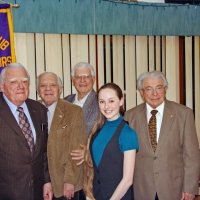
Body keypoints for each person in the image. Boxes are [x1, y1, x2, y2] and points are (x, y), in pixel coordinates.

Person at [124, 71, 200, 200]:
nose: (155, 93)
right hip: (141, 189)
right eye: (149, 89)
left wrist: (189, 188)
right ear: (141, 92)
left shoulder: (184, 114)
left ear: (165, 89)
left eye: (159, 88)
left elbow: (191, 155)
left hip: (174, 188)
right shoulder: (130, 116)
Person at [0, 63, 52, 200]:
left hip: (37, 191)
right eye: (13, 82)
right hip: (7, 192)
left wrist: (47, 181)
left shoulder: (39, 110)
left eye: (24, 81)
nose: (21, 86)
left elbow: (44, 150)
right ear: (2, 86)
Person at [84, 83, 139, 200]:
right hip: (96, 195)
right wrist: (89, 195)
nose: (106, 106)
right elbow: (92, 168)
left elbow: (127, 180)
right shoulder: (97, 129)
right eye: (102, 102)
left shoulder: (128, 133)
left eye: (111, 101)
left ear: (121, 101)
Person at [37, 72, 86, 200]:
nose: (48, 89)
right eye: (43, 85)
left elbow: (77, 149)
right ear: (37, 90)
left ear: (60, 89)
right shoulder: (32, 110)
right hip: (39, 182)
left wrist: (69, 181)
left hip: (65, 183)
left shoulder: (74, 112)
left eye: (53, 85)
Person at [64, 62, 99, 136]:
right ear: (73, 81)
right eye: (78, 77)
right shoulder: (65, 101)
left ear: (93, 79)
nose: (82, 80)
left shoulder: (100, 101)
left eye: (86, 77)